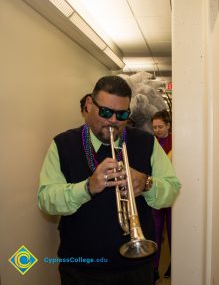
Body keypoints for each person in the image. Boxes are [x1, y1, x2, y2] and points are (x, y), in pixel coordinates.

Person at [38, 76, 181, 285]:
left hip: (136, 268)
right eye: (106, 112)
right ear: (89, 105)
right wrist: (87, 187)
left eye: (122, 114)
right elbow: (45, 199)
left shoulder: (146, 142)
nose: (113, 120)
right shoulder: (62, 144)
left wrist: (147, 183)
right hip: (81, 269)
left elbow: (172, 188)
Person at [151, 109, 172, 283]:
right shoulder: (152, 144)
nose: (157, 130)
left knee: (174, 231)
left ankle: (175, 262)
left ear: (168, 126)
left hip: (172, 195)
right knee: (156, 230)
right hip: (157, 194)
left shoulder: (177, 142)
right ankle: (154, 267)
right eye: (154, 127)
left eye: (160, 126)